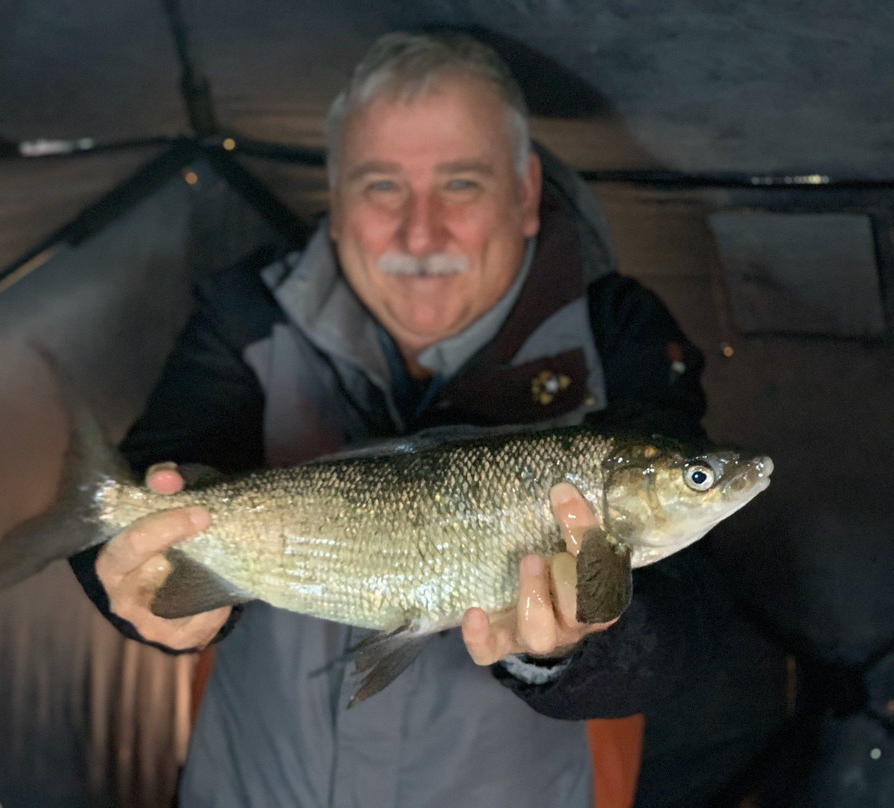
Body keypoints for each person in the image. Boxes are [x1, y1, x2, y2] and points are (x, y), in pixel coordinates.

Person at [71, 31, 739, 807]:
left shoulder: (619, 332)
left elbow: (695, 613)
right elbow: (151, 481)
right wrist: (131, 587)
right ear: (336, 191)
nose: (420, 234)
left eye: (460, 184)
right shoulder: (246, 312)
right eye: (382, 186)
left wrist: (578, 648)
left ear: (526, 194)